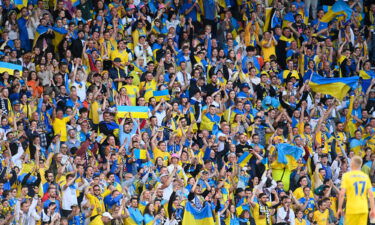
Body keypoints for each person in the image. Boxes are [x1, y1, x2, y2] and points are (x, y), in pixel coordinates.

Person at [337, 155, 375, 225]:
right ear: (360, 164)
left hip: (352, 208)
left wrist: (339, 208)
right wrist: (373, 209)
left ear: (352, 164)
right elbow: (371, 195)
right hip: (363, 208)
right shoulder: (365, 176)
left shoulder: (346, 176)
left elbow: (342, 194)